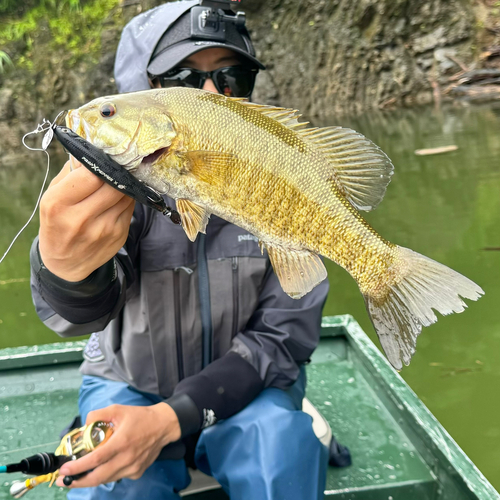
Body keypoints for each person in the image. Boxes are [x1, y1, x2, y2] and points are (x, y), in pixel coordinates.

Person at [30, 1, 330, 499]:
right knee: (110, 485)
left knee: (280, 450)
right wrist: (63, 269)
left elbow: (283, 339)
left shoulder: (282, 181)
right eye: (184, 78)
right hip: (128, 382)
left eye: (233, 76)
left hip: (248, 388)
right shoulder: (115, 195)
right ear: (143, 89)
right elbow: (79, 315)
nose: (214, 92)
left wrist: (175, 418)